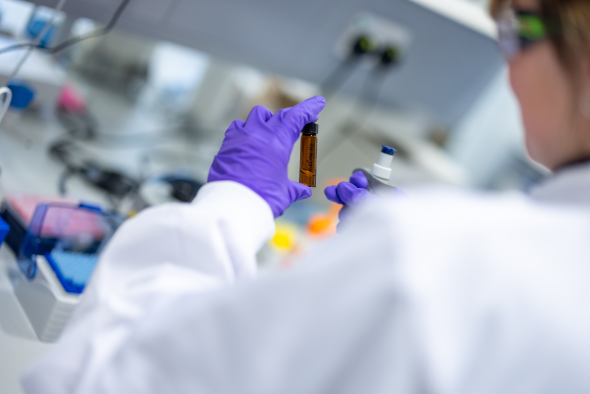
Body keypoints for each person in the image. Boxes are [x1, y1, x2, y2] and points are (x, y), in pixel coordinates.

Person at [22, 0, 590, 392]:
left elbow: (106, 377)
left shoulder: (432, 259)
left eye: (518, 29)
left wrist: (232, 203)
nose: (508, 65)